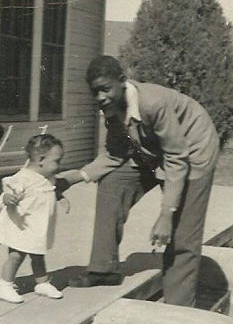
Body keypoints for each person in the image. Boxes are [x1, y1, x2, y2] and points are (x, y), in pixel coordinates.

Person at [60, 55, 219, 307]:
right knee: (113, 182)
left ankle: (178, 310)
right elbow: (115, 154)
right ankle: (104, 269)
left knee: (181, 235)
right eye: (95, 92)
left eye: (105, 89)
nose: (100, 97)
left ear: (122, 81)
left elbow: (177, 158)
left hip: (193, 149)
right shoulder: (112, 111)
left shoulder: (153, 103)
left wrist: (167, 213)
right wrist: (70, 179)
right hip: (154, 150)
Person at [0, 134, 66, 304]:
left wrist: (61, 198)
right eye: (57, 161)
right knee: (16, 256)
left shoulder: (47, 177)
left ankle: (42, 283)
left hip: (37, 226)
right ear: (41, 159)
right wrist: (8, 198)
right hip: (22, 225)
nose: (60, 166)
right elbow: (7, 192)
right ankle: (5, 286)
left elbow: (51, 189)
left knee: (38, 254)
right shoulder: (22, 178)